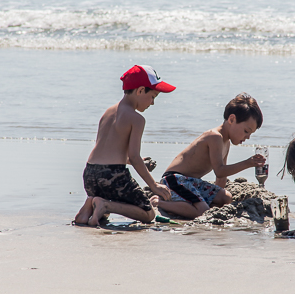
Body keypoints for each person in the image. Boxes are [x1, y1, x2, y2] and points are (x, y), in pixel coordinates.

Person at [74, 65, 175, 226]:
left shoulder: (107, 112)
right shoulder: (137, 119)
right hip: (112, 175)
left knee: (103, 203)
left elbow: (108, 150)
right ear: (141, 90)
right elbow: (134, 157)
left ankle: (90, 205)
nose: (153, 103)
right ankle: (104, 205)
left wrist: (132, 160)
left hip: (90, 174)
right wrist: (154, 185)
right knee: (148, 213)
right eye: (153, 97)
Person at [151, 93, 265, 219]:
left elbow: (221, 178)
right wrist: (247, 163)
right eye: (246, 131)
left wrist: (217, 196)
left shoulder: (226, 143)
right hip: (175, 180)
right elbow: (220, 170)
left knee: (226, 197)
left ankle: (187, 204)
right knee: (203, 211)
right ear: (232, 119)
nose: (248, 137)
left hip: (192, 182)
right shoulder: (215, 136)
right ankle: (160, 203)